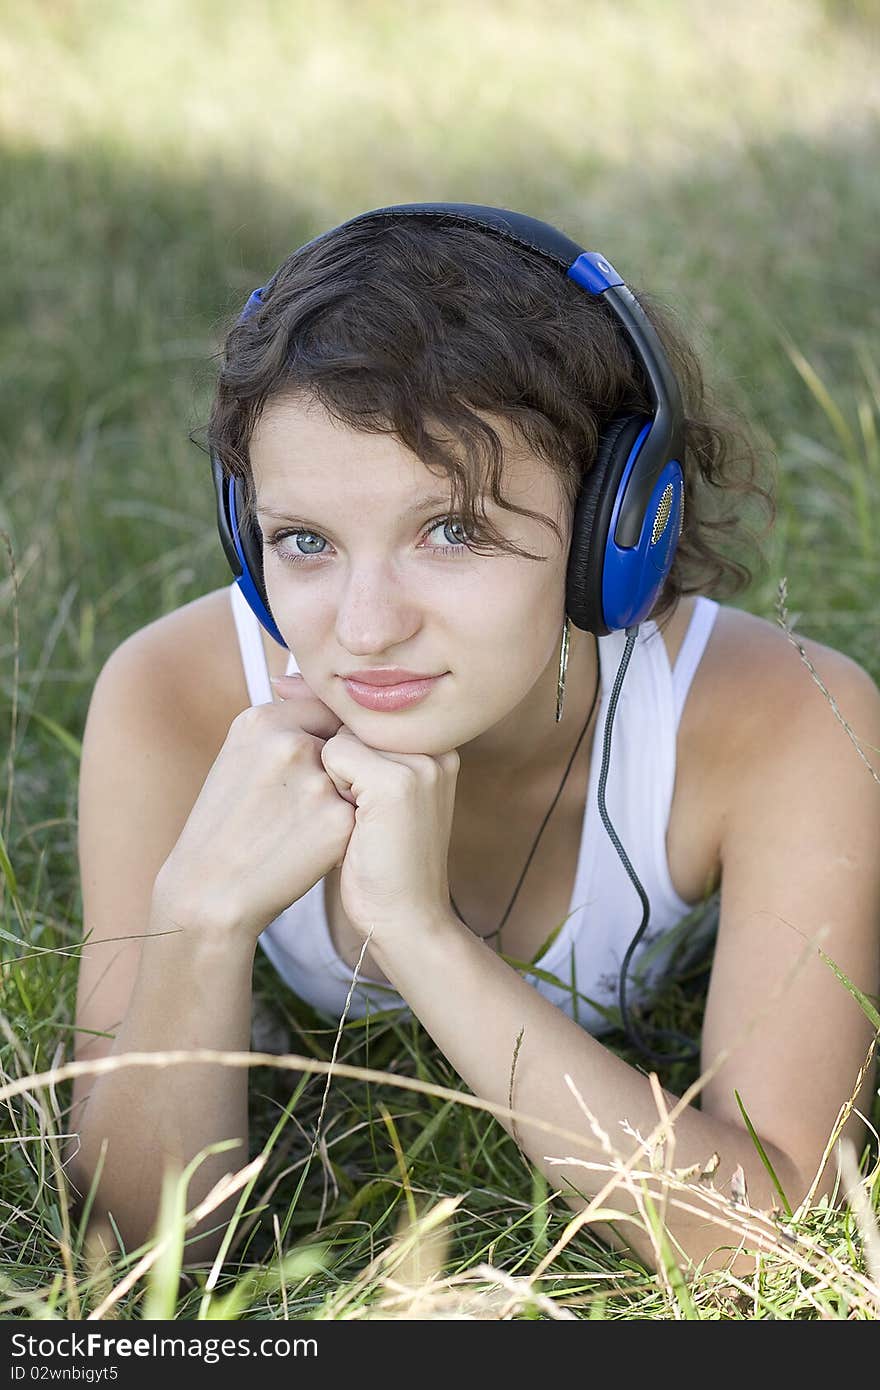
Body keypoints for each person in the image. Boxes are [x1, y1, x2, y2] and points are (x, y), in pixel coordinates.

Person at [66, 204, 880, 1278]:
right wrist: (200, 919)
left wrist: (420, 934)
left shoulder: (784, 718)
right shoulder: (169, 698)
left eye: (450, 530)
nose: (364, 628)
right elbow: (122, 1257)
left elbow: (770, 1240)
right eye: (303, 540)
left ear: (612, 531)